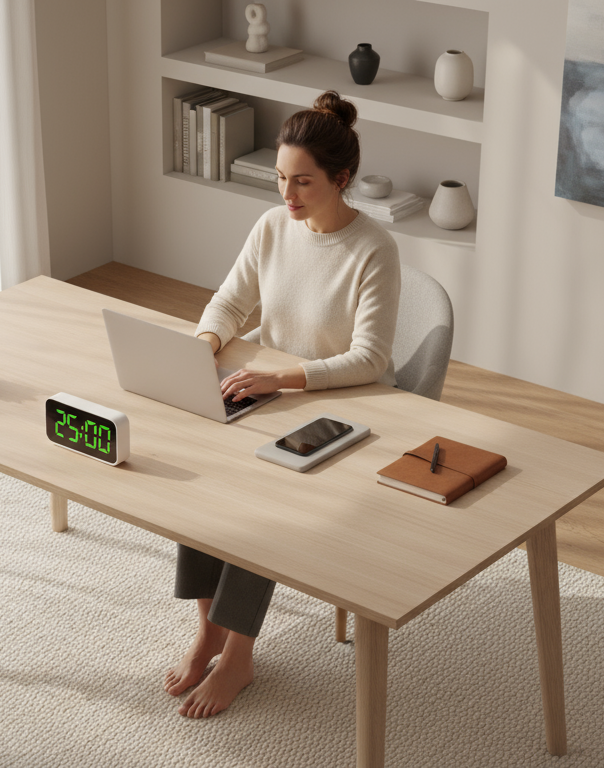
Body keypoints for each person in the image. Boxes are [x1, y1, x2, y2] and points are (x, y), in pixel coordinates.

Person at [164, 90, 401, 719]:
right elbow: (229, 302)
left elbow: (370, 361)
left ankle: (240, 653)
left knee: (261, 495)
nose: (286, 196)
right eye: (279, 179)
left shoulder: (373, 249)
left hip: (340, 407)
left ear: (340, 179)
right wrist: (205, 344)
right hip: (271, 393)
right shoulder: (273, 227)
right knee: (202, 471)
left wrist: (282, 378)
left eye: (302, 182)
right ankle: (209, 628)